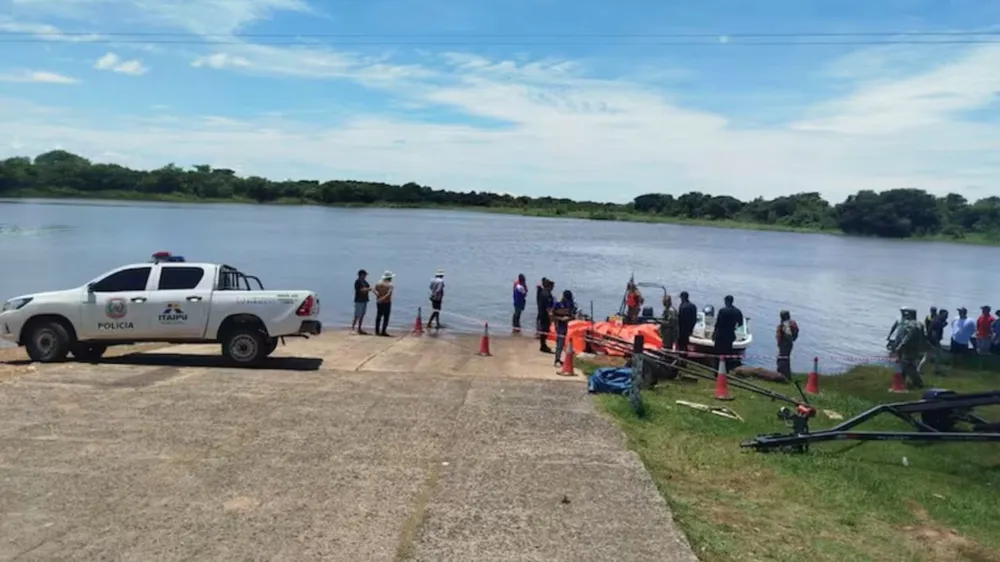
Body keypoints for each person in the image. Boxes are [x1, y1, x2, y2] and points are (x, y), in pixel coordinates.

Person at [891, 307, 926, 389]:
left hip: (908, 349)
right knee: (904, 365)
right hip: (915, 348)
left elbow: (908, 337)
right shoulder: (919, 324)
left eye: (907, 314)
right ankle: (900, 382)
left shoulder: (911, 325)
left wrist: (900, 346)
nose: (906, 316)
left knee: (908, 365)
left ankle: (918, 382)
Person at [714, 295, 745, 372]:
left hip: (721, 334)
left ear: (726, 301)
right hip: (730, 334)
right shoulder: (737, 311)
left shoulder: (722, 310)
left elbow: (718, 323)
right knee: (727, 352)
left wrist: (714, 333)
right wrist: (734, 327)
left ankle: (716, 369)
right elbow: (740, 324)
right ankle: (726, 369)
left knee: (718, 352)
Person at [552, 289, 577, 367]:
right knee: (560, 343)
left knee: (561, 343)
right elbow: (552, 315)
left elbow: (573, 316)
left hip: (566, 326)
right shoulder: (558, 304)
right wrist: (561, 319)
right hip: (559, 325)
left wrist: (568, 318)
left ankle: (559, 358)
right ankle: (557, 360)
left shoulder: (571, 306)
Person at [775, 310, 799, 380]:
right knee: (785, 359)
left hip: (785, 345)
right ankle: (786, 375)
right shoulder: (789, 323)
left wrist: (785, 342)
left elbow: (789, 335)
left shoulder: (785, 325)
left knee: (782, 359)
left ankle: (782, 375)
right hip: (787, 345)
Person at [927, 309, 948, 375]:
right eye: (945, 315)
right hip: (933, 342)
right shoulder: (937, 321)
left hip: (932, 341)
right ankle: (936, 370)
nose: (946, 317)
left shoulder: (938, 320)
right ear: (940, 314)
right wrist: (936, 343)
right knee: (934, 356)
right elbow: (934, 333)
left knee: (932, 356)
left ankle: (937, 369)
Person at [373, 271, 394, 337]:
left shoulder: (378, 283)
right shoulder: (390, 285)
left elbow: (373, 289)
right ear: (389, 278)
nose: (392, 279)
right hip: (386, 302)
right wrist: (383, 298)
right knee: (386, 317)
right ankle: (383, 331)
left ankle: (377, 331)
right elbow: (389, 293)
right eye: (391, 277)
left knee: (378, 316)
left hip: (379, 302)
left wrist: (378, 295)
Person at [536, 278, 554, 354]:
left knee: (543, 330)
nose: (552, 289)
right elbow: (548, 308)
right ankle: (543, 346)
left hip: (541, 313)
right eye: (552, 287)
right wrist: (551, 318)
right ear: (549, 286)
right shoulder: (547, 295)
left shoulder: (542, 292)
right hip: (545, 315)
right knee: (545, 330)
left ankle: (543, 344)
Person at [351, 269, 372, 335]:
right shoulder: (357, 282)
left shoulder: (365, 281)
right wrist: (368, 289)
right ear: (361, 275)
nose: (366, 276)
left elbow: (369, 287)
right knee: (357, 315)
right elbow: (360, 290)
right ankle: (352, 329)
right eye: (365, 275)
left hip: (365, 300)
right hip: (359, 300)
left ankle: (359, 328)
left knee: (362, 315)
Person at [677, 291, 697, 355]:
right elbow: (694, 319)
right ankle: (685, 356)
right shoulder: (693, 306)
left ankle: (680, 357)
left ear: (683, 298)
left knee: (681, 345)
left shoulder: (682, 306)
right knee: (685, 343)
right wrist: (691, 329)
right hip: (688, 329)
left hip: (681, 329)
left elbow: (679, 319)